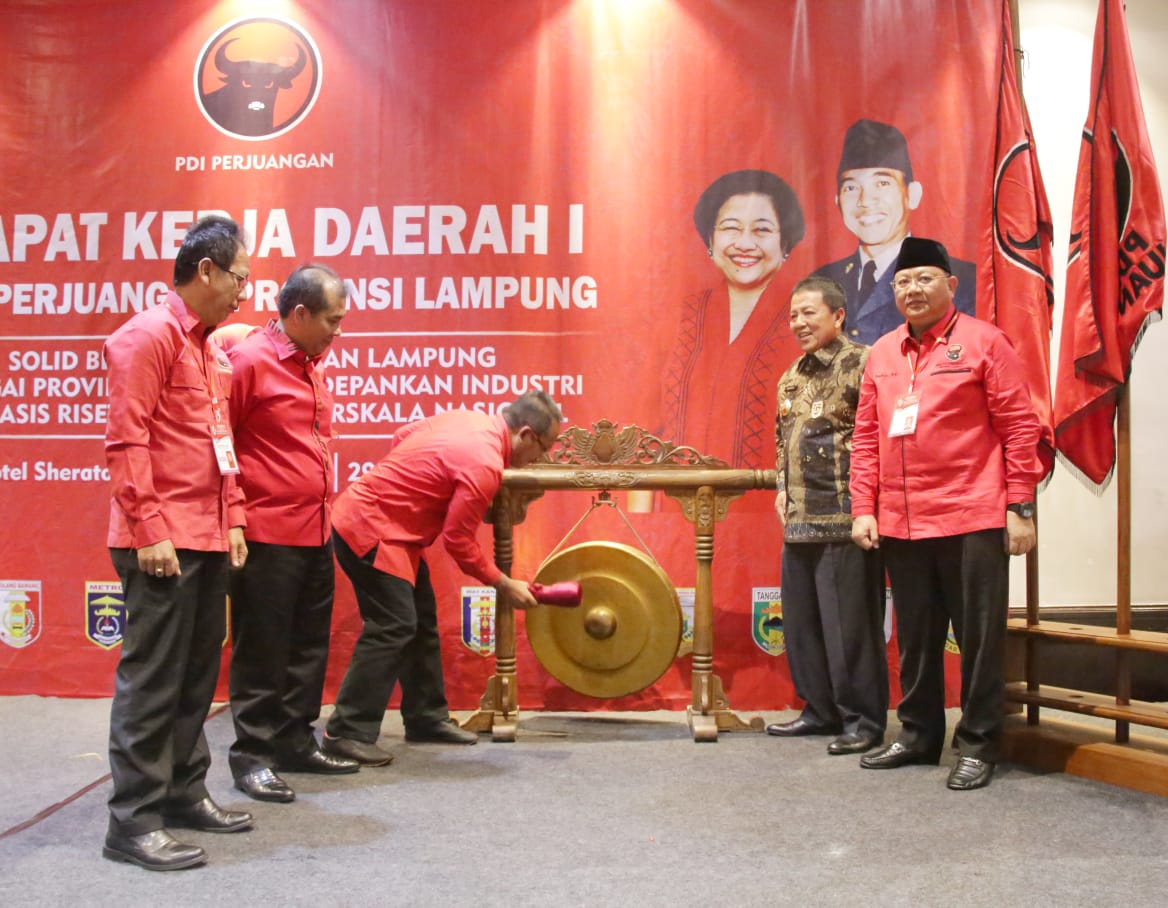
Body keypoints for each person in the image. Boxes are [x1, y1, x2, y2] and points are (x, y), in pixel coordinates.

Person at [850, 237, 1042, 791]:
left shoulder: (984, 342)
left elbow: (1019, 427)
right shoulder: (882, 352)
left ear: (950, 286)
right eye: (904, 281)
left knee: (978, 639)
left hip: (972, 516)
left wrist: (1020, 507)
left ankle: (979, 742)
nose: (912, 289)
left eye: (924, 279)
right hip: (902, 521)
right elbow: (866, 438)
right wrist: (865, 507)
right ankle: (916, 735)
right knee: (915, 636)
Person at [102, 215, 253, 871]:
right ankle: (132, 824)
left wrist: (237, 517)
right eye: (240, 279)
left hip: (208, 537)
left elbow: (221, 444)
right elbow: (126, 442)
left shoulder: (210, 348)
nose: (246, 293)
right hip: (159, 540)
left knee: (195, 680)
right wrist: (149, 530)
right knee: (154, 683)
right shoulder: (147, 337)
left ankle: (184, 794)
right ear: (207, 272)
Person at [321, 392, 563, 765]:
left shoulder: (469, 418)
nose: (541, 458)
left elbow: (404, 435)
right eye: (544, 449)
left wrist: (418, 484)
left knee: (421, 623)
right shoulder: (484, 463)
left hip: (395, 532)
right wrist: (502, 582)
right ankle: (346, 732)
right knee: (393, 625)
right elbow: (457, 542)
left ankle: (425, 717)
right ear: (526, 435)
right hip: (370, 528)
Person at [219, 264, 359, 805]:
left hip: (315, 528)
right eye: (332, 320)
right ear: (298, 314)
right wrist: (233, 518)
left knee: (306, 647)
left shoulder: (310, 364)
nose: (338, 331)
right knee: (263, 651)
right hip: (265, 534)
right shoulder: (250, 361)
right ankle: (252, 757)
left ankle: (295, 741)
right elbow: (221, 449)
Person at [765, 277, 888, 755]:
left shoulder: (866, 363)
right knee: (803, 625)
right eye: (793, 315)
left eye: (808, 313)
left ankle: (864, 721)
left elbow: (876, 441)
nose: (798, 323)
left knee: (849, 629)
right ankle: (820, 711)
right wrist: (781, 489)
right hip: (798, 520)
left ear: (837, 315)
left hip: (846, 520)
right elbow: (781, 442)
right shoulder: (791, 375)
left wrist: (868, 508)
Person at [662, 169, 805, 466]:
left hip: (771, 506)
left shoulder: (804, 321)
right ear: (710, 241)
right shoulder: (681, 317)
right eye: (730, 228)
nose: (744, 244)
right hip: (677, 506)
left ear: (785, 244)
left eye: (762, 230)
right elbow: (646, 433)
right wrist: (642, 515)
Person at [812, 119, 976, 345]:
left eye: (882, 183)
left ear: (913, 194)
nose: (865, 200)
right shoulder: (823, 280)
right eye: (851, 187)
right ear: (837, 201)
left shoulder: (962, 281)